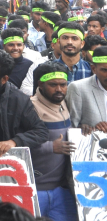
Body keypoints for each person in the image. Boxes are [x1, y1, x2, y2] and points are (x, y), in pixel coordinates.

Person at [0, 49, 49, 156]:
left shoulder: (19, 100)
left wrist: (14, 142)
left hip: (2, 160)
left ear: (4, 79)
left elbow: (41, 132)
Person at [29, 61, 79, 220]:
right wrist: (51, 146)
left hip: (62, 190)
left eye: (63, 84)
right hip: (36, 190)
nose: (59, 89)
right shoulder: (29, 107)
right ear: (40, 85)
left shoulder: (64, 103)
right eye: (53, 85)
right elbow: (17, 145)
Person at [66, 45, 107, 135]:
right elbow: (71, 126)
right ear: (94, 69)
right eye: (104, 70)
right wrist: (87, 128)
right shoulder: (78, 89)